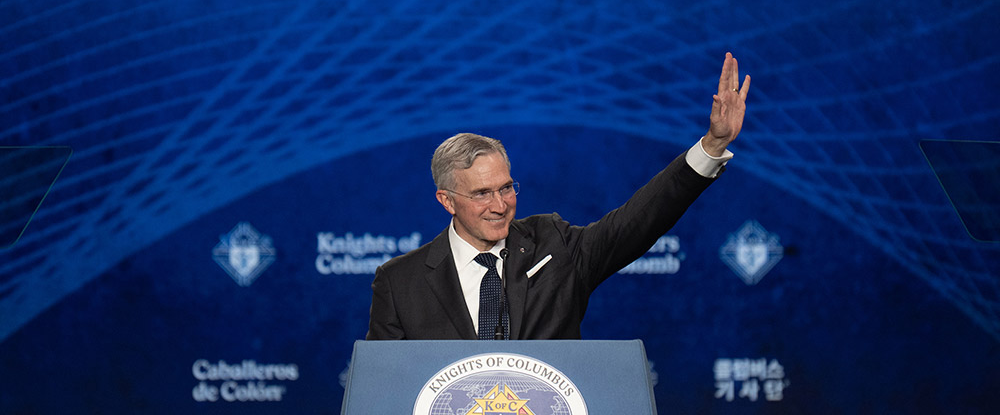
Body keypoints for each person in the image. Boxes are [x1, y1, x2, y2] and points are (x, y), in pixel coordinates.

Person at [367, 52, 750, 340]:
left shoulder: (554, 246)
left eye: (506, 188)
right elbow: (385, 390)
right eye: (482, 194)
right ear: (446, 200)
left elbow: (637, 221)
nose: (500, 206)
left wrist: (712, 145)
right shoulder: (401, 282)